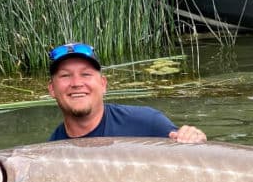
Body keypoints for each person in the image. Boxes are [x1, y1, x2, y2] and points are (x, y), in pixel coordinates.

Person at [46, 42, 206, 143]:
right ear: (52, 89)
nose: (77, 83)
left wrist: (196, 139)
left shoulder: (147, 123)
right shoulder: (51, 149)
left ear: (103, 84)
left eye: (86, 74)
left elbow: (194, 157)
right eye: (65, 76)